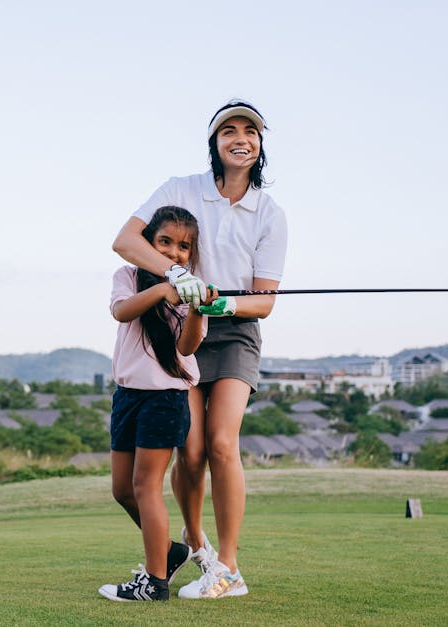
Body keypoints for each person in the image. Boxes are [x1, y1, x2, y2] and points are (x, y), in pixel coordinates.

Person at [111, 100, 287, 599]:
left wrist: (218, 300)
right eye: (228, 130)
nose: (240, 138)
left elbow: (265, 302)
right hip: (176, 329)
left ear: (259, 145)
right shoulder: (179, 188)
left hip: (231, 332)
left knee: (221, 444)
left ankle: (228, 567)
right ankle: (193, 541)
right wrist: (179, 277)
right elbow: (126, 241)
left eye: (250, 132)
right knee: (188, 454)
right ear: (214, 143)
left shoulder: (270, 214)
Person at [98, 205, 218, 602]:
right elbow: (121, 311)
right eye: (164, 241)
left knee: (145, 487)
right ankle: (169, 552)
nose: (174, 252)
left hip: (165, 398)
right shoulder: (129, 276)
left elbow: (186, 347)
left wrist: (198, 310)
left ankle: (154, 581)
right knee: (122, 490)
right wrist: (164, 288)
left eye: (184, 247)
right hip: (128, 396)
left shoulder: (191, 292)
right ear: (148, 242)